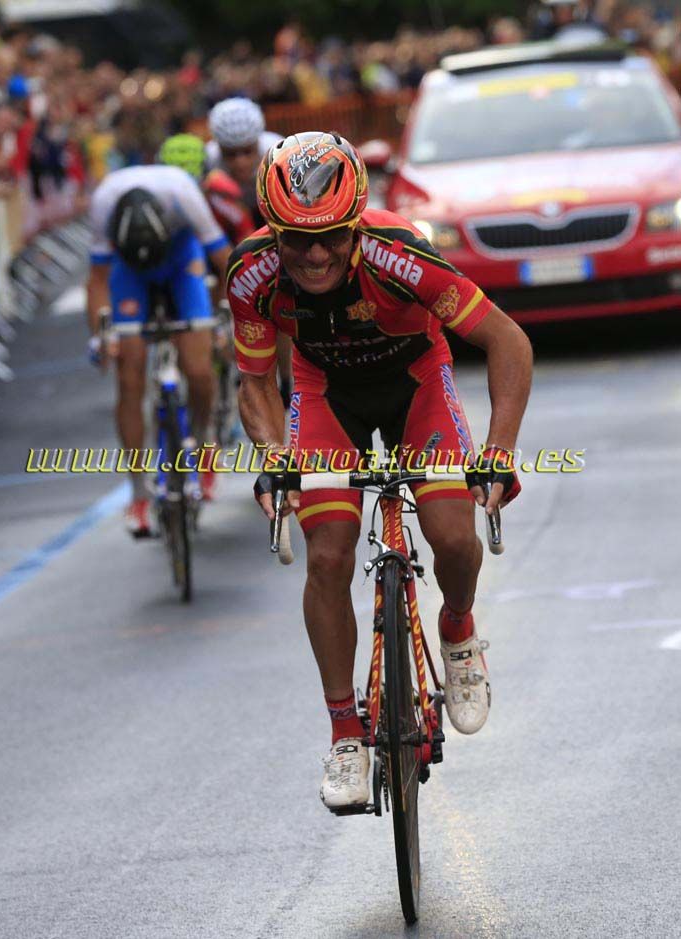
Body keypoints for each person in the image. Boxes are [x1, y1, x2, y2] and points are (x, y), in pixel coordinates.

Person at [227, 132, 532, 811]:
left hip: (414, 381)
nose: (312, 255)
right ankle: (344, 731)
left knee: (453, 538)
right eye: (294, 239)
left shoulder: (403, 255)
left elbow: (507, 340)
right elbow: (253, 382)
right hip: (324, 391)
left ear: (357, 223)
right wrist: (276, 460)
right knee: (328, 556)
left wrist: (499, 450)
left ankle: (456, 629)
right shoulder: (250, 271)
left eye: (331, 237)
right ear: (271, 229)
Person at [87, 162, 230, 535]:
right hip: (129, 270)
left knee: (198, 369)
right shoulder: (103, 203)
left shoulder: (183, 194)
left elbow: (223, 259)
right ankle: (137, 492)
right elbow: (98, 279)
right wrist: (101, 334)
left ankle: (203, 440)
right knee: (129, 375)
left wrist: (242, 315)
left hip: (182, 257)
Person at [206, 97, 292, 407]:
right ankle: (220, 340)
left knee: (278, 296)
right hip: (225, 223)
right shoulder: (207, 162)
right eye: (231, 154)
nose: (241, 162)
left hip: (267, 215)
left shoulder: (280, 153)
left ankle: (286, 379)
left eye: (247, 151)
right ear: (218, 147)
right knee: (216, 275)